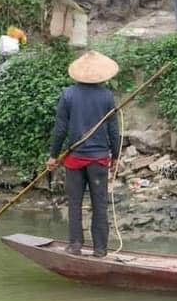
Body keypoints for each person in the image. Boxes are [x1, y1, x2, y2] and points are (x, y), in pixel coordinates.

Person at [46, 51, 122, 257]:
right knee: (99, 205)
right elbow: (114, 131)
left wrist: (53, 156)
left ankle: (76, 245)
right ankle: (100, 249)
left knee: (75, 204)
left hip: (75, 160)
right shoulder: (107, 96)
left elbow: (60, 129)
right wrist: (115, 157)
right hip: (99, 160)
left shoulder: (68, 95)